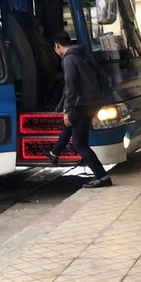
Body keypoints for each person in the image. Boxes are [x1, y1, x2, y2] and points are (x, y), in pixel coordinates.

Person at [50, 31, 111, 188]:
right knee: (71, 127)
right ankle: (54, 153)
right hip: (93, 103)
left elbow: (70, 86)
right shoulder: (85, 55)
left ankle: (102, 177)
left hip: (81, 105)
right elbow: (103, 77)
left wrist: (66, 110)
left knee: (80, 144)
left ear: (57, 46)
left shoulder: (69, 59)